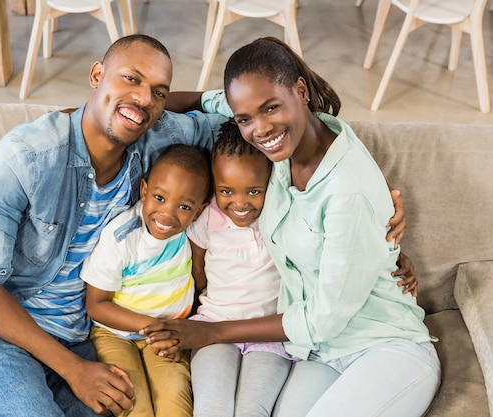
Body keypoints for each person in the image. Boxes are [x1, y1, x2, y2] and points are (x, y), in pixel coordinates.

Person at [0, 34, 229, 417]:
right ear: (97, 74)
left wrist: (307, 115)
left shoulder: (160, 139)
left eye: (158, 92)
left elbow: (240, 123)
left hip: (79, 333)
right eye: (131, 79)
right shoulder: (25, 158)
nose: (143, 100)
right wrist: (73, 369)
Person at [142, 37, 440, 417]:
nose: (260, 129)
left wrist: (213, 332)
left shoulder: (345, 190)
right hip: (319, 353)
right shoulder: (278, 155)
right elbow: (205, 100)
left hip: (385, 348)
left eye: (270, 108)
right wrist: (101, 112)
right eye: (245, 118)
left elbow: (322, 318)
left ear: (300, 90)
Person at [81, 144, 211, 417]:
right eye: (160, 198)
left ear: (198, 212)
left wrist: (174, 331)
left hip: (168, 335)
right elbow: (96, 305)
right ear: (144, 191)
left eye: (184, 206)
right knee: (132, 401)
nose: (167, 214)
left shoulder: (194, 233)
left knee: (175, 400)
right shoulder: (121, 236)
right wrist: (153, 326)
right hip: (115, 334)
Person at [186, 120, 293, 417]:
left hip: (270, 335)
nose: (240, 203)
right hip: (213, 324)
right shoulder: (206, 218)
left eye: (254, 191)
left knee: (252, 411)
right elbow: (197, 271)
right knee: (212, 407)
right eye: (227, 191)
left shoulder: (283, 216)